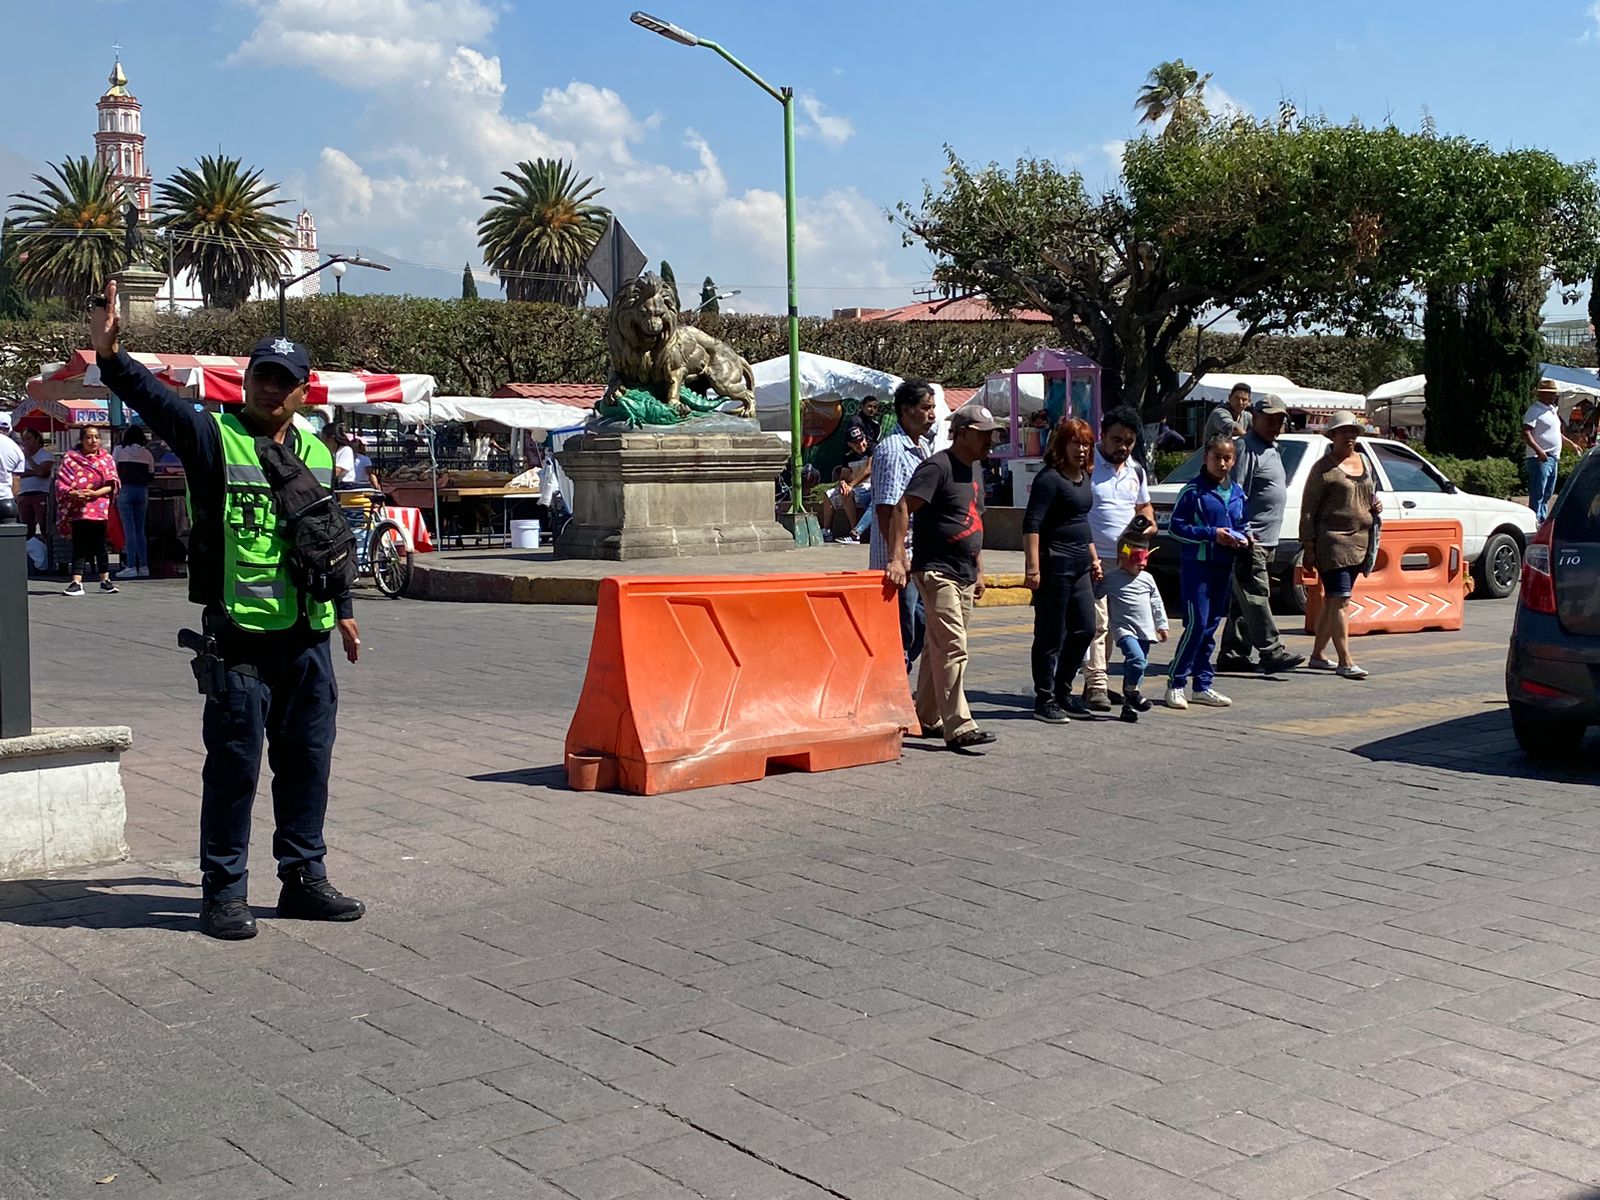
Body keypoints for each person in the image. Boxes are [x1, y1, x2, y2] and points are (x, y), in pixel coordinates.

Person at [89, 279, 365, 941]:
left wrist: (346, 607)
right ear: (246, 384)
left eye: (282, 380)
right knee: (235, 764)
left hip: (308, 637)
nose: (270, 388)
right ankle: (224, 892)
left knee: (307, 762)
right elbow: (154, 402)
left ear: (304, 389)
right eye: (260, 377)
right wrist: (110, 356)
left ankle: (303, 878)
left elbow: (325, 539)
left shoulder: (321, 454)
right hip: (239, 636)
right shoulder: (212, 438)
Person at [899, 405, 999, 751]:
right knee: (954, 645)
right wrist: (900, 558)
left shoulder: (976, 470)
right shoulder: (937, 466)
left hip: (965, 574)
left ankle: (927, 716)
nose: (991, 440)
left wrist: (981, 570)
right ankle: (958, 725)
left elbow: (974, 520)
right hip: (935, 570)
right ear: (963, 432)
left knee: (937, 646)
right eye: (984, 433)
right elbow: (902, 507)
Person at [1217, 394, 1305, 675]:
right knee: (1256, 595)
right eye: (1270, 419)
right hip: (1250, 540)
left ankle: (1233, 653)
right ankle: (1271, 651)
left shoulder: (1271, 449)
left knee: (1242, 601)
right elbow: (1235, 493)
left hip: (1267, 539)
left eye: (1280, 420)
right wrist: (1242, 532)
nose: (1275, 425)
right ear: (1254, 417)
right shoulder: (1246, 449)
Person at [1022, 417, 1101, 724]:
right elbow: (1032, 523)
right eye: (1075, 443)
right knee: (1050, 635)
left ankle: (1063, 690)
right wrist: (1033, 568)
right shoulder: (1049, 479)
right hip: (1054, 564)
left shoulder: (1084, 477)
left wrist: (1093, 558)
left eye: (1086, 444)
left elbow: (1081, 521)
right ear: (1061, 445)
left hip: (1080, 562)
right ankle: (1044, 699)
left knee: (1085, 628)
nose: (1081, 449)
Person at [1166, 433, 1249, 709]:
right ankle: (1176, 683)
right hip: (1196, 567)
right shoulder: (1193, 491)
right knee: (1197, 623)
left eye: (1228, 458)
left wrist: (1244, 537)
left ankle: (1203, 685)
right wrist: (1212, 534)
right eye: (1217, 458)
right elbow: (1176, 527)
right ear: (1206, 458)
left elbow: (1243, 524)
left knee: (1211, 626)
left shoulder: (1236, 492)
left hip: (1224, 567)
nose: (1222, 464)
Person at [1082, 406, 1156, 710]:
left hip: (1126, 560)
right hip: (1093, 557)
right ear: (1103, 436)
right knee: (1097, 623)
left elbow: (1145, 509)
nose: (1122, 446)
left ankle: (1097, 682)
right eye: (1116, 440)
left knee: (1116, 624)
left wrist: (1147, 527)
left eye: (1128, 441)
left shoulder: (1136, 470)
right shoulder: (1087, 466)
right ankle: (1096, 683)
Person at [1300, 411, 1382, 680]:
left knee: (1334, 601)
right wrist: (1309, 546)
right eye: (1344, 431)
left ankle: (1317, 655)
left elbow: (1370, 494)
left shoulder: (1365, 461)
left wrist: (1375, 504)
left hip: (1361, 542)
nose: (1350, 436)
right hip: (1332, 543)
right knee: (1342, 600)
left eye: (1353, 431)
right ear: (1332, 435)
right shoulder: (1323, 469)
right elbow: (1308, 510)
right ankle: (1346, 661)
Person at [874, 380, 938, 672]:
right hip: (900, 561)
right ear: (906, 411)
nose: (932, 414)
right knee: (905, 627)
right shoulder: (891, 449)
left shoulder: (922, 447)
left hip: (919, 555)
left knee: (923, 625)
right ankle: (894, 680)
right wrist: (896, 558)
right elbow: (887, 509)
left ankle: (901, 673)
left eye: (933, 408)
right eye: (926, 408)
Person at [1105, 516, 1168, 722]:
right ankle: (1132, 693)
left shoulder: (1147, 579)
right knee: (1137, 660)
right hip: (1124, 630)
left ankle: (1128, 705)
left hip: (1146, 630)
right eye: (1136, 560)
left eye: (1145, 560)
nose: (1141, 566)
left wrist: (1162, 625)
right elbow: (1095, 594)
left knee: (1136, 668)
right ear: (1123, 557)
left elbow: (1157, 602)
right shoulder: (1112, 579)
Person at [55, 425, 120, 596]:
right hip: (77, 507)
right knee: (80, 545)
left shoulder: (106, 458)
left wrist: (95, 493)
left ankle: (105, 581)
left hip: (98, 507)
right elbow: (61, 482)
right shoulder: (70, 459)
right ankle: (76, 582)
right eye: (89, 437)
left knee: (100, 544)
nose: (93, 441)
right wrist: (73, 493)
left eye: (96, 437)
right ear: (82, 440)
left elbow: (112, 484)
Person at [1523, 379, 1576, 522]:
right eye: (1552, 394)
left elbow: (1556, 434)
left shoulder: (1551, 411)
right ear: (1544, 395)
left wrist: (1571, 445)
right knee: (1538, 492)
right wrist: (1539, 451)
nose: (1554, 396)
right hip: (1539, 457)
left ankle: (1542, 519)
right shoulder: (1534, 410)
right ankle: (1534, 520)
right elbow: (1526, 433)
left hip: (1553, 457)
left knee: (1548, 492)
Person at [112, 425, 156, 578]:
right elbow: (151, 474)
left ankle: (131, 565)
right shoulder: (147, 453)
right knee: (140, 531)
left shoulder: (119, 450)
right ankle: (144, 566)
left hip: (125, 491)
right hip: (142, 492)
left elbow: (112, 470)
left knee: (129, 530)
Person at [822, 425, 874, 542]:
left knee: (847, 493)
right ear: (850, 444)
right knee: (828, 495)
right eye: (855, 443)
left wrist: (850, 485)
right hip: (855, 486)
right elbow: (844, 476)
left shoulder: (872, 447)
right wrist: (842, 483)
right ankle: (826, 531)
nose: (860, 445)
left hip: (869, 486)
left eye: (861, 440)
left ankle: (855, 532)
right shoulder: (848, 455)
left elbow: (868, 470)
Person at [16, 427, 54, 540]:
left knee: (43, 525)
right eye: (23, 440)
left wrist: (29, 459)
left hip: (40, 493)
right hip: (23, 494)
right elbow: (17, 474)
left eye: (28, 439)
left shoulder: (46, 455)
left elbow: (41, 472)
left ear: (37, 439)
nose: (25, 442)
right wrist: (33, 473)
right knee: (26, 527)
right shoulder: (19, 456)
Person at [0, 417, 25, 523]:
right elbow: (16, 480)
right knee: (8, 537)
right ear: (9, 428)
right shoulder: (16, 448)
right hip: (6, 501)